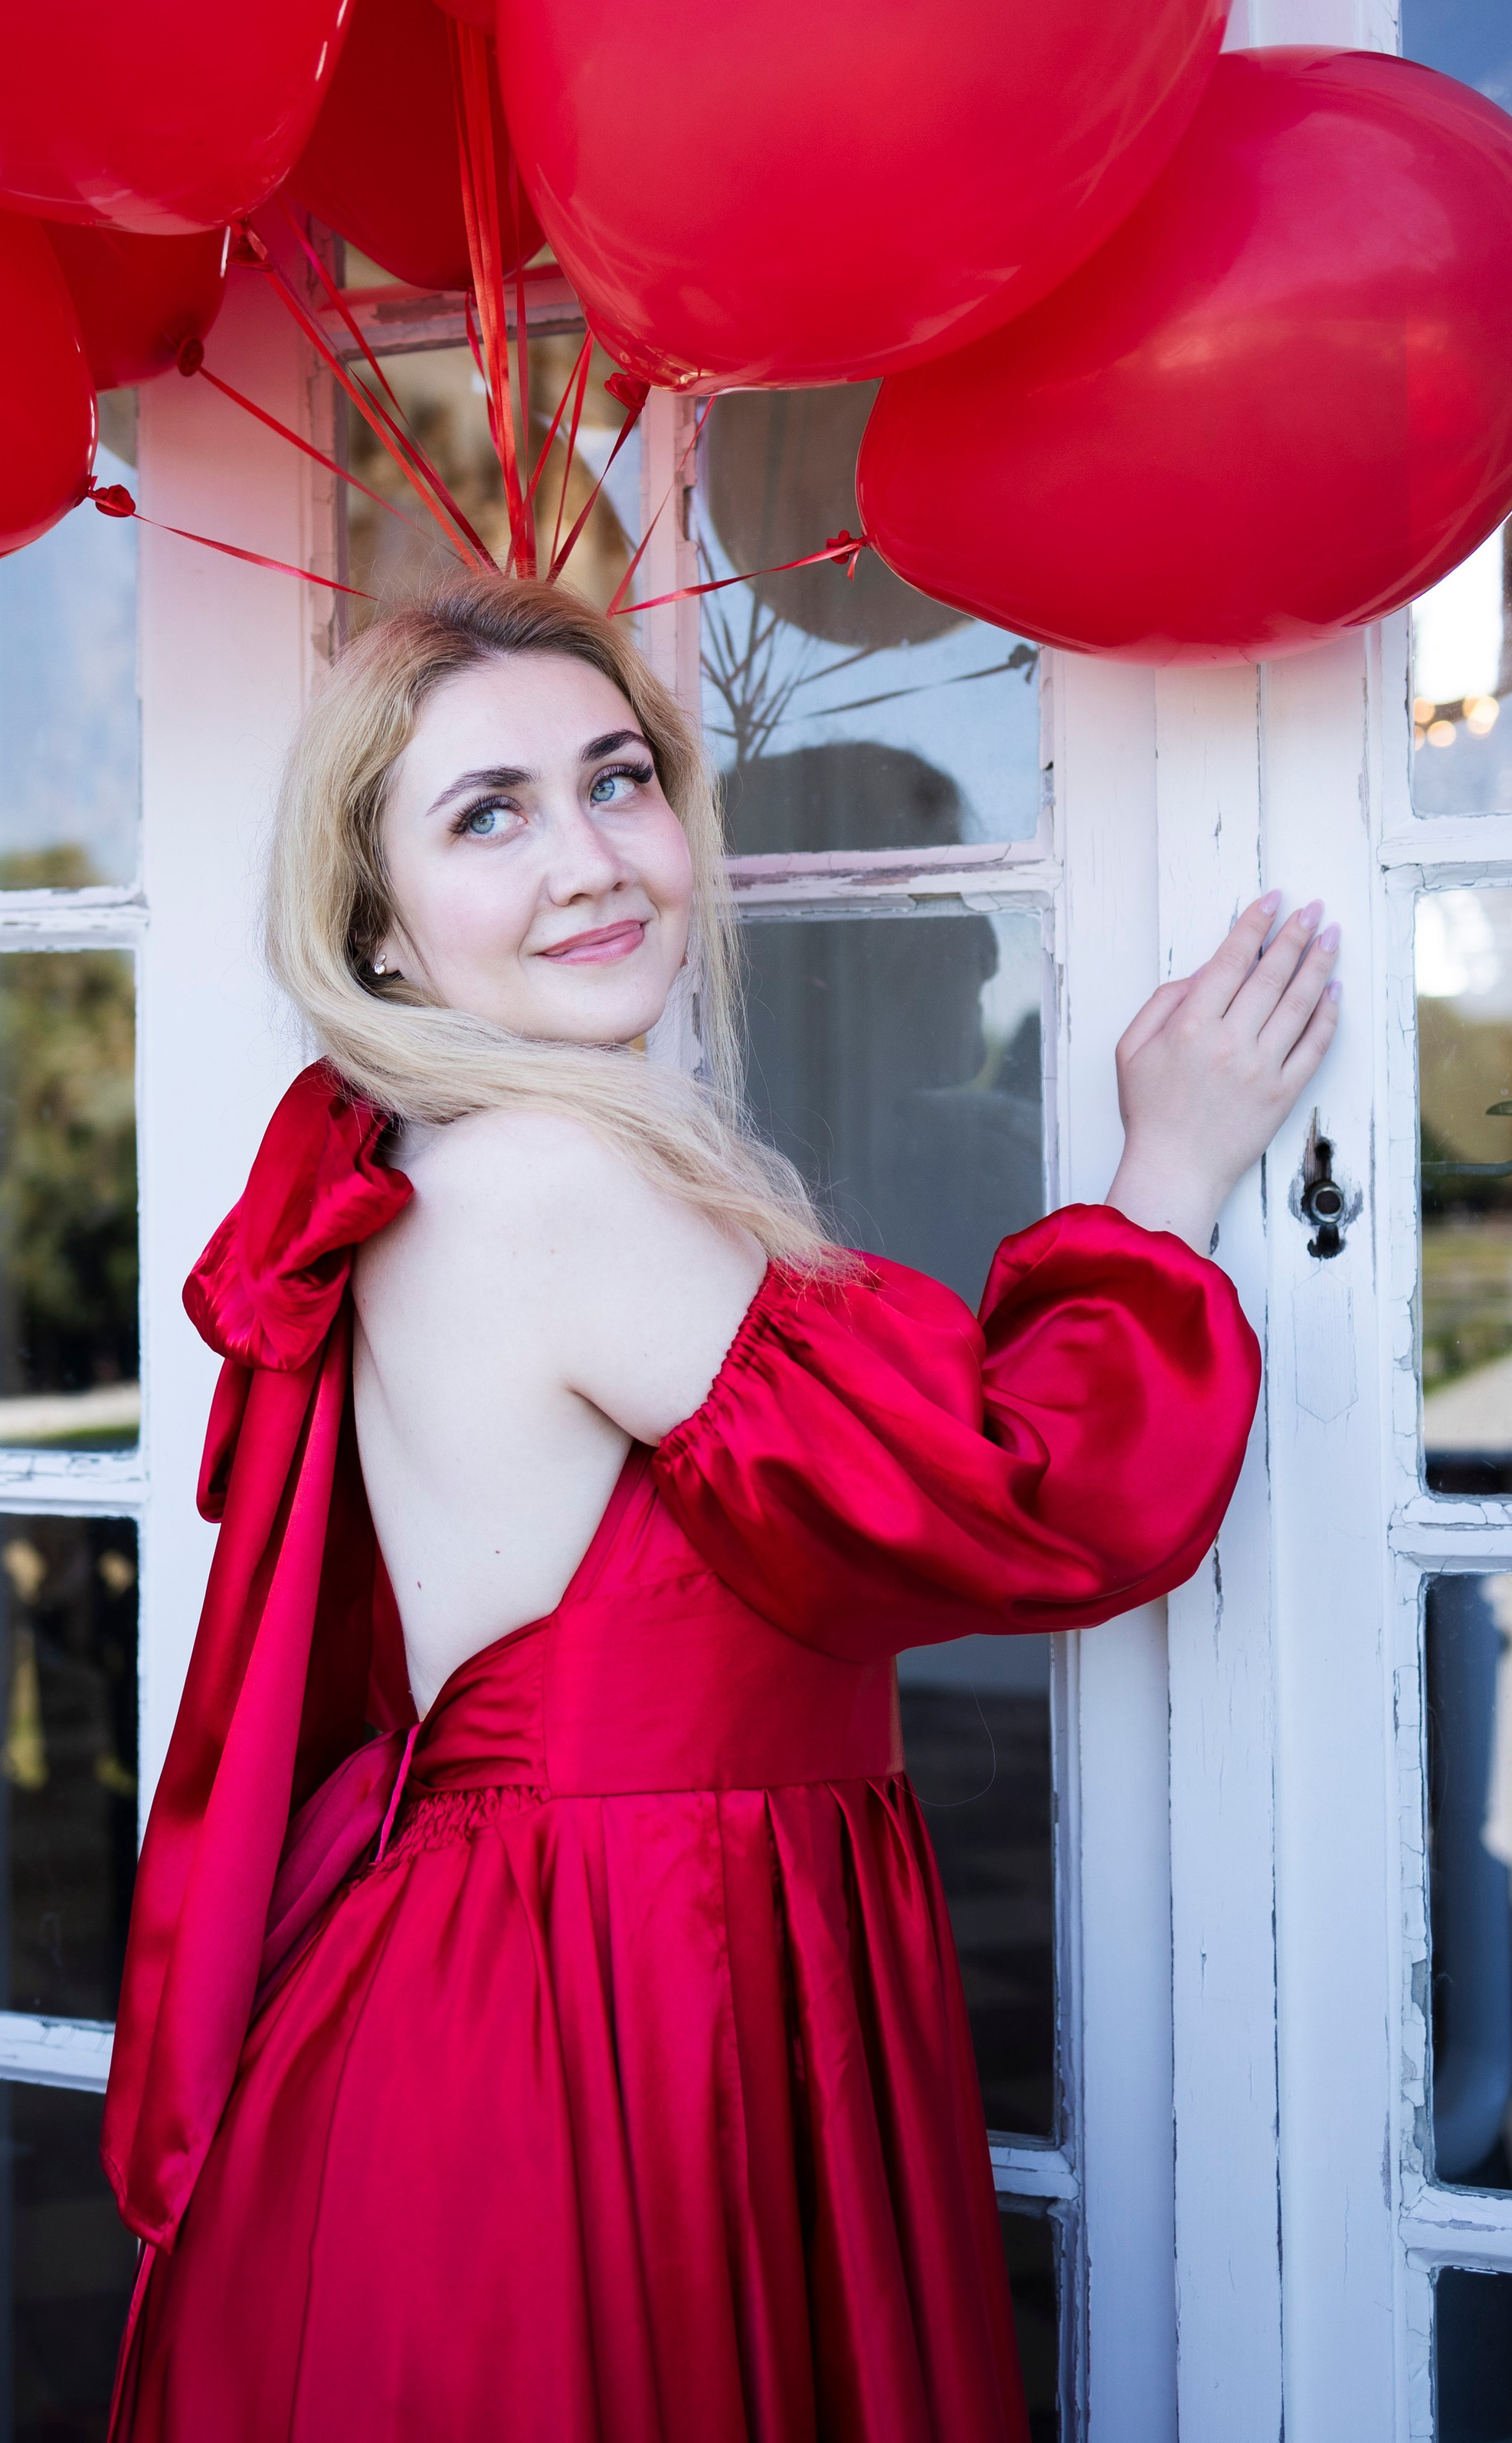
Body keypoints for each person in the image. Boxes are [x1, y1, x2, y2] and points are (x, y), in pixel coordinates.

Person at [101, 575, 1338, 2443]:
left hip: (594, 1961)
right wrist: (1166, 1173)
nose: (590, 860)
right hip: (585, 2002)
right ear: (376, 930)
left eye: (617, 780)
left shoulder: (459, 1154)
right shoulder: (542, 1179)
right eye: (488, 815)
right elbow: (1022, 1505)